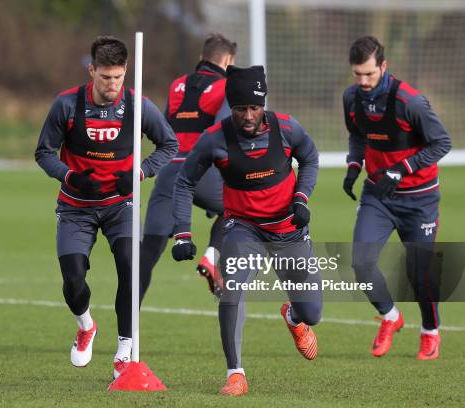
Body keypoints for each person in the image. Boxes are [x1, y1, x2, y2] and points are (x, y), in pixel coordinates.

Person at [172, 65, 322, 396]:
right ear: (231, 106)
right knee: (231, 289)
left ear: (263, 104)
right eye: (241, 109)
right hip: (243, 229)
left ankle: (294, 317)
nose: (249, 115)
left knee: (313, 311)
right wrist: (183, 233)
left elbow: (310, 158)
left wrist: (302, 198)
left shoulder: (286, 128)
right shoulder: (215, 139)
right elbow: (184, 182)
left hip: (289, 229)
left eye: (254, 107)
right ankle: (235, 373)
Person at [35, 36, 177, 379]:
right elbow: (43, 153)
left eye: (117, 77)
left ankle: (125, 348)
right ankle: (85, 326)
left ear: (126, 71)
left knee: (131, 267)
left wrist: (140, 172)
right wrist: (70, 177)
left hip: (120, 205)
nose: (111, 85)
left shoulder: (139, 105)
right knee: (73, 279)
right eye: (104, 77)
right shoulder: (66, 105)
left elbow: (168, 144)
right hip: (75, 207)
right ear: (92, 71)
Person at [342, 36, 451, 360]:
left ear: (384, 67)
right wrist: (353, 165)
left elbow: (441, 143)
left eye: (369, 75)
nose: (362, 82)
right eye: (357, 74)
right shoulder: (351, 98)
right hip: (378, 195)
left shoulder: (410, 101)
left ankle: (430, 332)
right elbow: (357, 135)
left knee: (419, 274)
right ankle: (390, 316)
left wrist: (402, 169)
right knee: (361, 263)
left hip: (419, 201)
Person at [140, 33, 236, 300]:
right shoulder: (228, 86)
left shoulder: (177, 85)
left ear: (201, 58)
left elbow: (163, 129)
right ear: (228, 60)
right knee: (237, 206)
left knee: (147, 253)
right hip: (203, 170)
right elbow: (223, 131)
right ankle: (212, 256)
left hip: (169, 170)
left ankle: (126, 333)